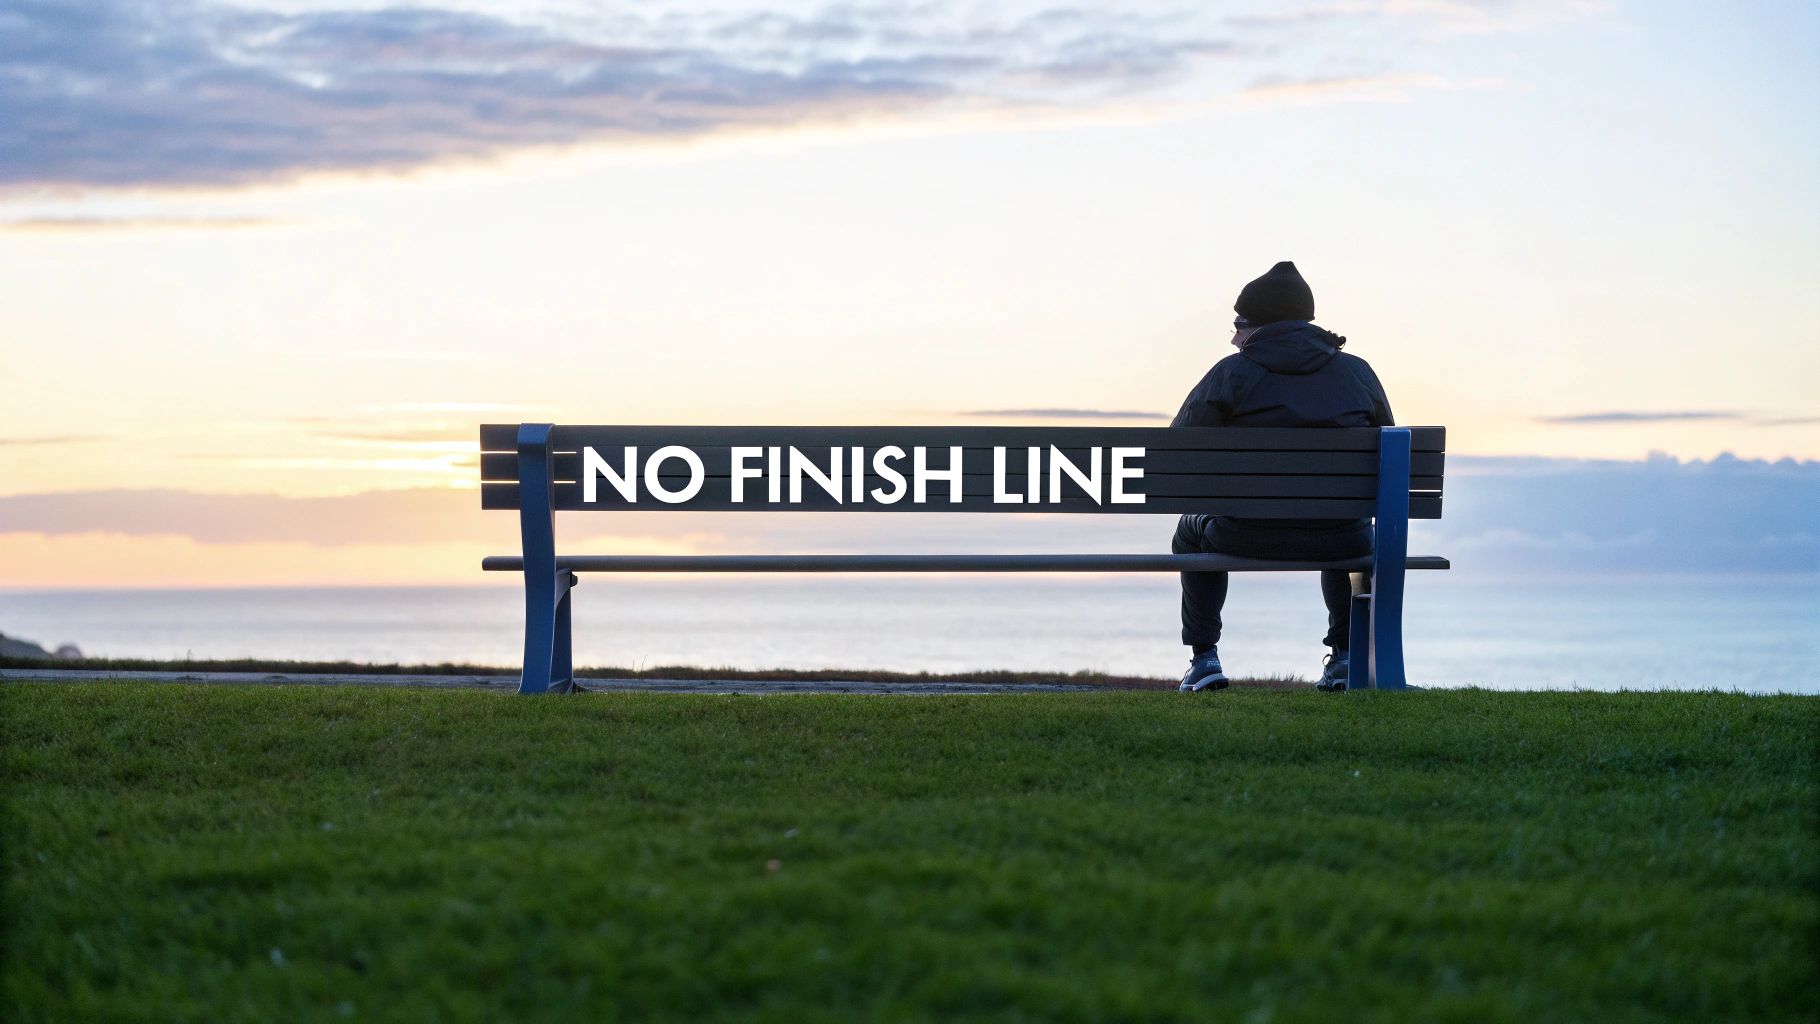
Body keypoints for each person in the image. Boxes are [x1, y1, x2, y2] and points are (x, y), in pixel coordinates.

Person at [1170, 261, 1394, 693]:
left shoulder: (1230, 374)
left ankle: (1204, 659)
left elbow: (1177, 458)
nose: (1233, 337)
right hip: (1343, 540)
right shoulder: (1358, 373)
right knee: (1345, 520)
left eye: (1238, 324)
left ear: (1256, 327)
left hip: (1243, 534)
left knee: (1189, 531)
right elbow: (1389, 456)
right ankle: (1345, 657)